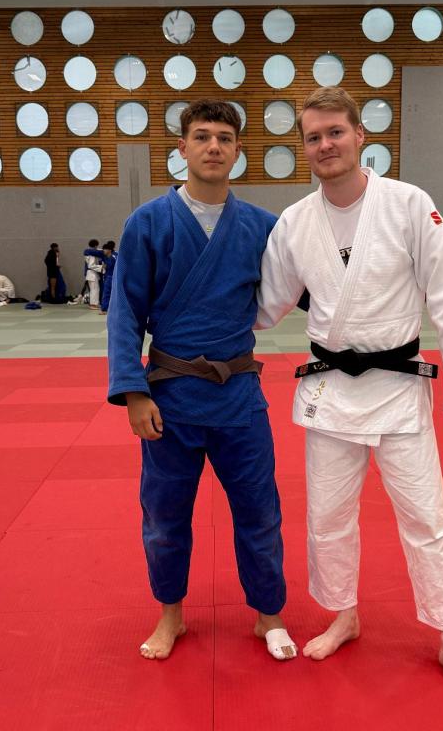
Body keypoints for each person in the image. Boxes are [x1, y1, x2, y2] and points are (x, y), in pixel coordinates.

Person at [256, 87, 443, 700]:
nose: (325, 145)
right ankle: (344, 614)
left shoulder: (409, 204)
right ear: (303, 147)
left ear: (360, 135)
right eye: (313, 137)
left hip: (398, 387)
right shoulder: (294, 223)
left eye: (335, 132)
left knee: (426, 518)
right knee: (328, 518)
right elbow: (265, 304)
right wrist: (193, 325)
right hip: (331, 391)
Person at [107, 99, 296, 663]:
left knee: (260, 511)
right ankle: (171, 614)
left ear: (238, 152)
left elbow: (311, 290)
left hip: (239, 396)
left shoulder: (264, 227)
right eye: (202, 136)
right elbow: (125, 312)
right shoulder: (147, 223)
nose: (213, 146)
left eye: (224, 138)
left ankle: (268, 614)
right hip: (171, 397)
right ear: (182, 147)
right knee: (165, 516)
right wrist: (133, 391)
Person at [85, 241, 118, 314]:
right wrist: (103, 267)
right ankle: (105, 308)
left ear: (109, 250)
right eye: (103, 249)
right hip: (108, 276)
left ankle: (107, 308)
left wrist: (103, 267)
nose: (103, 251)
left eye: (105, 249)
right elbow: (88, 251)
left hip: (112, 277)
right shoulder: (106, 256)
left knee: (109, 293)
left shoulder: (114, 257)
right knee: (106, 293)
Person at [84, 239, 104, 310]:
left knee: (96, 289)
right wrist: (101, 267)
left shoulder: (90, 252)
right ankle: (93, 304)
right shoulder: (92, 254)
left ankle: (95, 303)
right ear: (96, 245)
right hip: (92, 274)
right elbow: (91, 265)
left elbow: (100, 250)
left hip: (93, 274)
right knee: (94, 290)